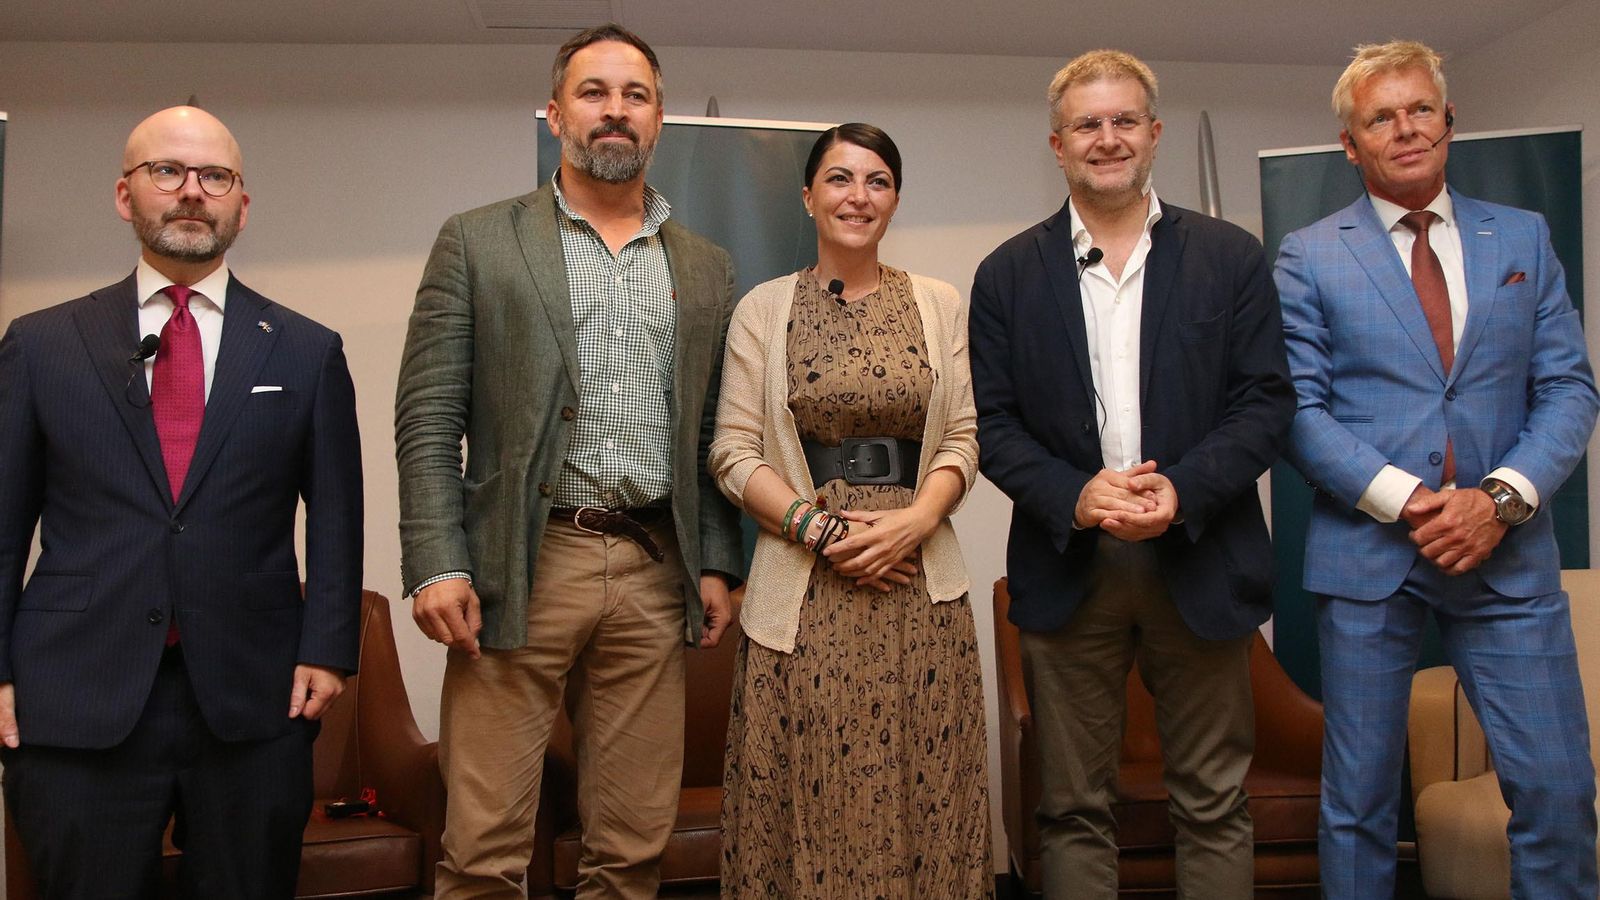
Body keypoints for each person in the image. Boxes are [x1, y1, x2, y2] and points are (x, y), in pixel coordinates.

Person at [394, 23, 743, 898]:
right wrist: (438, 560)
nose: (615, 111)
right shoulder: (478, 241)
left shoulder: (704, 266)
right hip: (519, 562)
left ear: (659, 119)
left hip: (651, 566)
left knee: (630, 850)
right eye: (594, 92)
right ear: (555, 113)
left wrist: (714, 556)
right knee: (482, 851)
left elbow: (710, 426)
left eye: (635, 95)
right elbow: (429, 416)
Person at [0, 106, 363, 897]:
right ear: (126, 196)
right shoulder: (41, 344)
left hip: (253, 695)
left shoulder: (305, 349)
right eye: (168, 172)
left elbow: (336, 515)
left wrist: (328, 649)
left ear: (242, 203)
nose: (192, 192)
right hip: (73, 691)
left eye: (215, 177)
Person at [1276, 39, 1599, 897]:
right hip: (1369, 557)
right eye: (1381, 117)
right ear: (1351, 144)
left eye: (1421, 109)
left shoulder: (1522, 234)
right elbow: (1297, 411)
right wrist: (1416, 502)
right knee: (1358, 805)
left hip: (1508, 553)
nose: (1406, 128)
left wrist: (1498, 500)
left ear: (1449, 122)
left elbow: (1569, 387)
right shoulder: (1308, 254)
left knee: (1561, 792)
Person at [969, 50, 1295, 897]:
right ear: (1056, 143)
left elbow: (1264, 404)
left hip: (1202, 554)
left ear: (1153, 135)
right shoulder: (1006, 274)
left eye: (1123, 122)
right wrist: (1074, 494)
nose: (1106, 139)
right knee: (1072, 811)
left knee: (1213, 804)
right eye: (1087, 124)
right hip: (1068, 563)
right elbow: (993, 427)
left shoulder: (1231, 257)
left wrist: (1182, 488)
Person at [710, 122, 992, 899]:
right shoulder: (765, 310)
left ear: (895, 199)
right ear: (807, 197)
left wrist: (915, 521)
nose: (857, 196)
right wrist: (823, 533)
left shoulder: (937, 303)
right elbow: (734, 453)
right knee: (808, 797)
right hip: (804, 593)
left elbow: (964, 438)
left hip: (917, 585)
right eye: (838, 179)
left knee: (928, 791)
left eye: (876, 181)